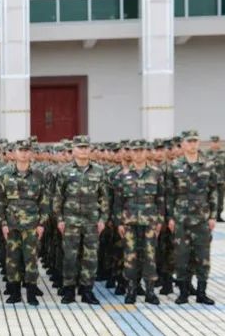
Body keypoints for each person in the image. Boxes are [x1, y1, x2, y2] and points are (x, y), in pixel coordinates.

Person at [53, 136, 108, 304]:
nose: (84, 150)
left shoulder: (99, 171)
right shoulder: (64, 171)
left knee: (90, 257)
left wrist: (103, 219)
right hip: (71, 221)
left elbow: (104, 197)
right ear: (74, 150)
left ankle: (87, 291)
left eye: (86, 147)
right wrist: (59, 219)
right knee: (70, 256)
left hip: (92, 221)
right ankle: (69, 290)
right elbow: (58, 197)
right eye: (80, 147)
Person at [113, 140, 165, 305]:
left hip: (150, 222)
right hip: (129, 223)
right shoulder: (122, 175)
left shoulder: (156, 173)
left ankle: (150, 291)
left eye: (141, 150)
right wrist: (119, 222)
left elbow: (161, 199)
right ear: (131, 154)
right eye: (135, 151)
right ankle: (131, 290)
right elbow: (118, 201)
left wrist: (160, 221)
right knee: (130, 256)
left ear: (146, 152)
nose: (138, 154)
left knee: (149, 255)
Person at [167, 130, 217, 305]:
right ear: (182, 144)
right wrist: (171, 217)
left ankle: (201, 293)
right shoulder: (174, 165)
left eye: (195, 141)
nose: (192, 144)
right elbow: (169, 194)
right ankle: (183, 292)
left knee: (203, 257)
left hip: (202, 219)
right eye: (189, 141)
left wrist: (213, 216)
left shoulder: (208, 164)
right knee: (182, 257)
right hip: (181, 219)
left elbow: (214, 191)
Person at [0, 140, 48, 306]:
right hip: (12, 225)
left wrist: (42, 224)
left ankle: (31, 293)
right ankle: (14, 293)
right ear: (14, 153)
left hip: (32, 225)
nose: (24, 153)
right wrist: (3, 223)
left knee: (31, 259)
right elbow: (1, 202)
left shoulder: (39, 175)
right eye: (21, 150)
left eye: (27, 150)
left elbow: (45, 202)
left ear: (31, 153)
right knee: (12, 259)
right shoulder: (5, 175)